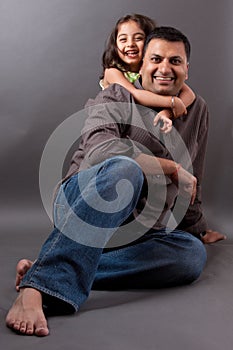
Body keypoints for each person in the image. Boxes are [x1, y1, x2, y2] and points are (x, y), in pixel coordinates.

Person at [6, 26, 226, 337]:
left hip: (138, 225)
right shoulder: (115, 94)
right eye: (156, 59)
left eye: (175, 61)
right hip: (82, 201)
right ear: (142, 65)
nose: (165, 68)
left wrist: (196, 227)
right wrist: (171, 168)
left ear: (187, 68)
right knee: (125, 168)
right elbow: (100, 151)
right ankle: (36, 288)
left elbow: (193, 176)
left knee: (190, 256)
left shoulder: (197, 109)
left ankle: (53, 267)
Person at [100, 13, 195, 123]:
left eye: (138, 38)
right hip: (115, 121)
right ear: (115, 44)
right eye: (123, 39)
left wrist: (168, 112)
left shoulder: (152, 70)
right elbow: (134, 94)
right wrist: (172, 102)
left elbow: (189, 94)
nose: (130, 44)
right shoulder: (112, 71)